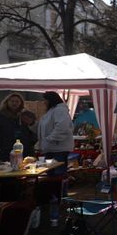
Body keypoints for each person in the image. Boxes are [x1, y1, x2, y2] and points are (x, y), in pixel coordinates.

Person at [37, 91, 75, 227]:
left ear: (51, 100)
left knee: (57, 178)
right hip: (51, 149)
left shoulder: (59, 110)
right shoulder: (52, 111)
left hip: (58, 149)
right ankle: (55, 203)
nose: (43, 103)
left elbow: (62, 128)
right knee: (52, 178)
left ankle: (58, 205)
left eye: (45, 100)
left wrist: (49, 139)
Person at [0, 92, 26, 161]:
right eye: (12, 101)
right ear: (7, 102)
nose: (14, 103)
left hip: (22, 149)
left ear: (21, 103)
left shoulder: (25, 116)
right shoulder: (1, 116)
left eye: (17, 101)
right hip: (5, 149)